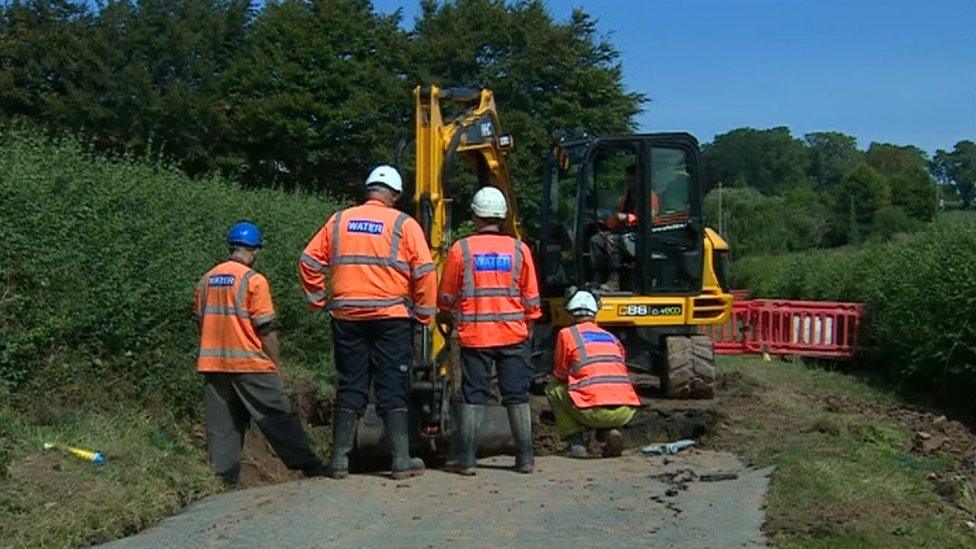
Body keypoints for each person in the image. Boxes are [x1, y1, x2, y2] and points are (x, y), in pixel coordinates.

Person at [299, 165, 437, 480]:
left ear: (368, 190)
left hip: (347, 316)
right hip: (391, 318)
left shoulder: (339, 221)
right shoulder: (404, 223)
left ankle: (338, 461)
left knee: (351, 382)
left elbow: (308, 261)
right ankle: (401, 460)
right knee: (392, 386)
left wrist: (318, 299)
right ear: (396, 195)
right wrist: (424, 314)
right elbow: (425, 272)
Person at [195, 221, 325, 485]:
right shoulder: (254, 281)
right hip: (249, 363)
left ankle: (223, 479)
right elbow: (266, 328)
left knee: (222, 426)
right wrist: (274, 363)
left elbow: (200, 318)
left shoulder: (206, 279)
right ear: (255, 250)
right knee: (278, 415)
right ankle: (309, 465)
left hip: (213, 364)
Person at [437, 186, 542, 475]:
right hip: (513, 335)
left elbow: (445, 296)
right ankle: (525, 457)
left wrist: (447, 313)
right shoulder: (520, 249)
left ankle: (468, 459)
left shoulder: (462, 249)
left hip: (475, 336)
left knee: (473, 395)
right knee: (517, 394)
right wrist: (528, 324)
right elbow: (531, 298)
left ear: (475, 215)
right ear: (503, 216)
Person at [545, 288, 641, 458]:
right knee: (603, 391)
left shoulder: (566, 334)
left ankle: (577, 444)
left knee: (553, 390)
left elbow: (560, 373)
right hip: (625, 411)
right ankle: (610, 432)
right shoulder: (612, 338)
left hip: (591, 411)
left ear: (571, 314)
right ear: (595, 313)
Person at [589, 164, 660, 290]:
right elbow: (618, 218)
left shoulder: (649, 197)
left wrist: (627, 217)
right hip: (624, 232)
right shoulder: (626, 197)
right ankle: (598, 276)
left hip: (642, 236)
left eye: (631, 180)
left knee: (613, 240)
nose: (628, 183)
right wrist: (606, 223)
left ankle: (614, 280)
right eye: (627, 180)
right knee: (596, 240)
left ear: (639, 179)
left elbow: (649, 219)